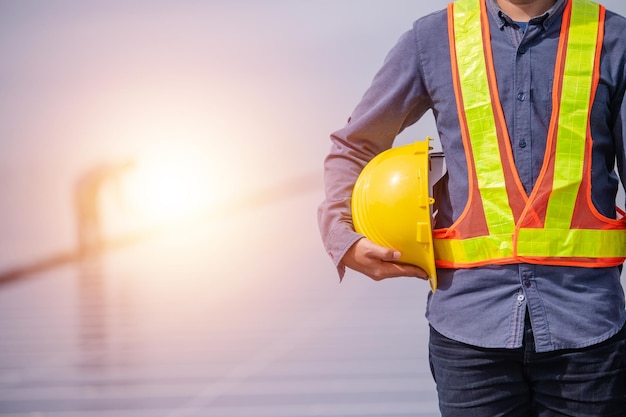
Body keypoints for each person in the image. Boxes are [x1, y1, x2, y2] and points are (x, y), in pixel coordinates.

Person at [317, 0, 626, 415]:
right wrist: (344, 238)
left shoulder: (615, 39)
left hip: (587, 333)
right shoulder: (431, 39)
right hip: (468, 336)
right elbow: (355, 144)